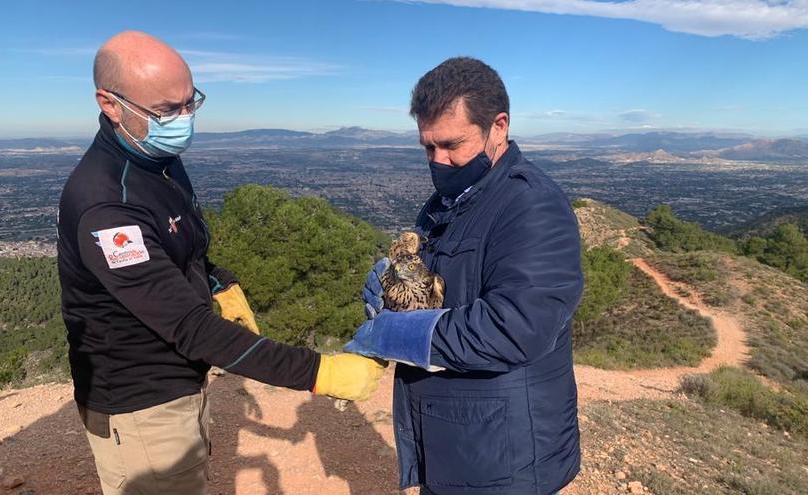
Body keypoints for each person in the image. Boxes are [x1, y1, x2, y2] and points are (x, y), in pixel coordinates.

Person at [57, 31, 384, 495]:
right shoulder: (107, 207)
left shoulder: (158, 160)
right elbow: (191, 328)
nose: (185, 120)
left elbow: (185, 247)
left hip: (179, 382)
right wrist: (320, 373)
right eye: (168, 111)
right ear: (110, 104)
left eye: (191, 103)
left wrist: (217, 282)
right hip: (139, 401)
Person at [346, 57, 584, 494]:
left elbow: (516, 328)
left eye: (452, 144)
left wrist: (394, 334)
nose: (439, 160)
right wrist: (393, 283)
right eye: (427, 148)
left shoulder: (532, 206)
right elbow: (436, 280)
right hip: (455, 440)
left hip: (504, 455)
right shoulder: (451, 197)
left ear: (498, 127)